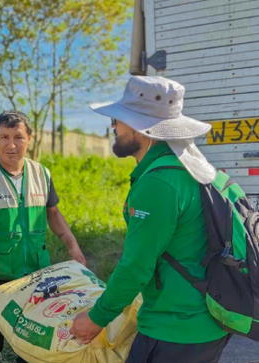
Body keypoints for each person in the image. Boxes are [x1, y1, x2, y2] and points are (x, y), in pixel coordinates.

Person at [70, 76, 231, 362]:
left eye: (119, 120)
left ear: (142, 128)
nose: (113, 127)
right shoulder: (192, 167)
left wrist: (96, 318)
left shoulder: (158, 183)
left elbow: (135, 267)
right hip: (207, 321)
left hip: (174, 330)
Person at [0, 110, 86, 363]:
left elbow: (53, 213)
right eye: (4, 137)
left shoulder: (42, 173)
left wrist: (73, 246)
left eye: (18, 137)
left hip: (37, 278)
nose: (11, 145)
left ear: (29, 139)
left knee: (36, 348)